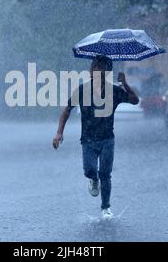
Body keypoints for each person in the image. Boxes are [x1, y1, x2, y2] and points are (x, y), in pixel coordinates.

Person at [52, 55, 139, 220]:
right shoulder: (82, 90)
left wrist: (125, 84)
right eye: (94, 68)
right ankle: (93, 179)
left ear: (106, 72)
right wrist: (59, 132)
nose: (97, 71)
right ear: (90, 72)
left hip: (107, 139)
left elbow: (135, 101)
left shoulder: (114, 90)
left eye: (101, 68)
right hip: (88, 140)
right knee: (90, 170)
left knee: (106, 174)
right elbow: (66, 110)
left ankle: (106, 207)